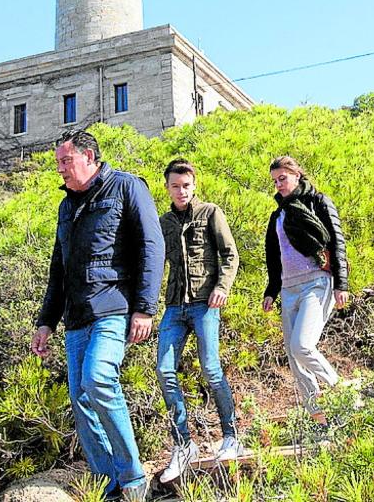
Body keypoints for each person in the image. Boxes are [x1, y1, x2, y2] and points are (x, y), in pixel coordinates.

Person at [31, 129, 164, 502]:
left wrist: (145, 307)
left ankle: (133, 477)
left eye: (65, 161)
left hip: (113, 307)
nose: (60, 169)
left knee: (98, 377)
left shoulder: (126, 187)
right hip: (76, 317)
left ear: (89, 157)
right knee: (80, 397)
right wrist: (46, 322)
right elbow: (59, 268)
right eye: (58, 162)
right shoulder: (66, 206)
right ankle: (108, 485)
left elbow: (152, 246)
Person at [155, 159, 242, 483]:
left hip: (206, 304)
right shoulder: (163, 222)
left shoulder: (211, 213)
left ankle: (231, 435)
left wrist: (222, 288)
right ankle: (183, 444)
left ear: (194, 185)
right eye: (175, 186)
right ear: (167, 187)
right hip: (174, 307)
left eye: (186, 185)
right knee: (164, 370)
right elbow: (154, 263)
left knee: (211, 368)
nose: (181, 191)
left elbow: (229, 254)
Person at [261, 156, 351, 433]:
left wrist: (342, 284)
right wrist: (271, 291)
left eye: (283, 179)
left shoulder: (318, 201)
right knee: (294, 358)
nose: (279, 185)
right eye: (275, 181)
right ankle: (321, 421)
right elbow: (274, 256)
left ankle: (343, 390)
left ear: (297, 175)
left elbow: (337, 240)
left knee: (302, 345)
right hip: (288, 288)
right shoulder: (277, 215)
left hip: (317, 282)